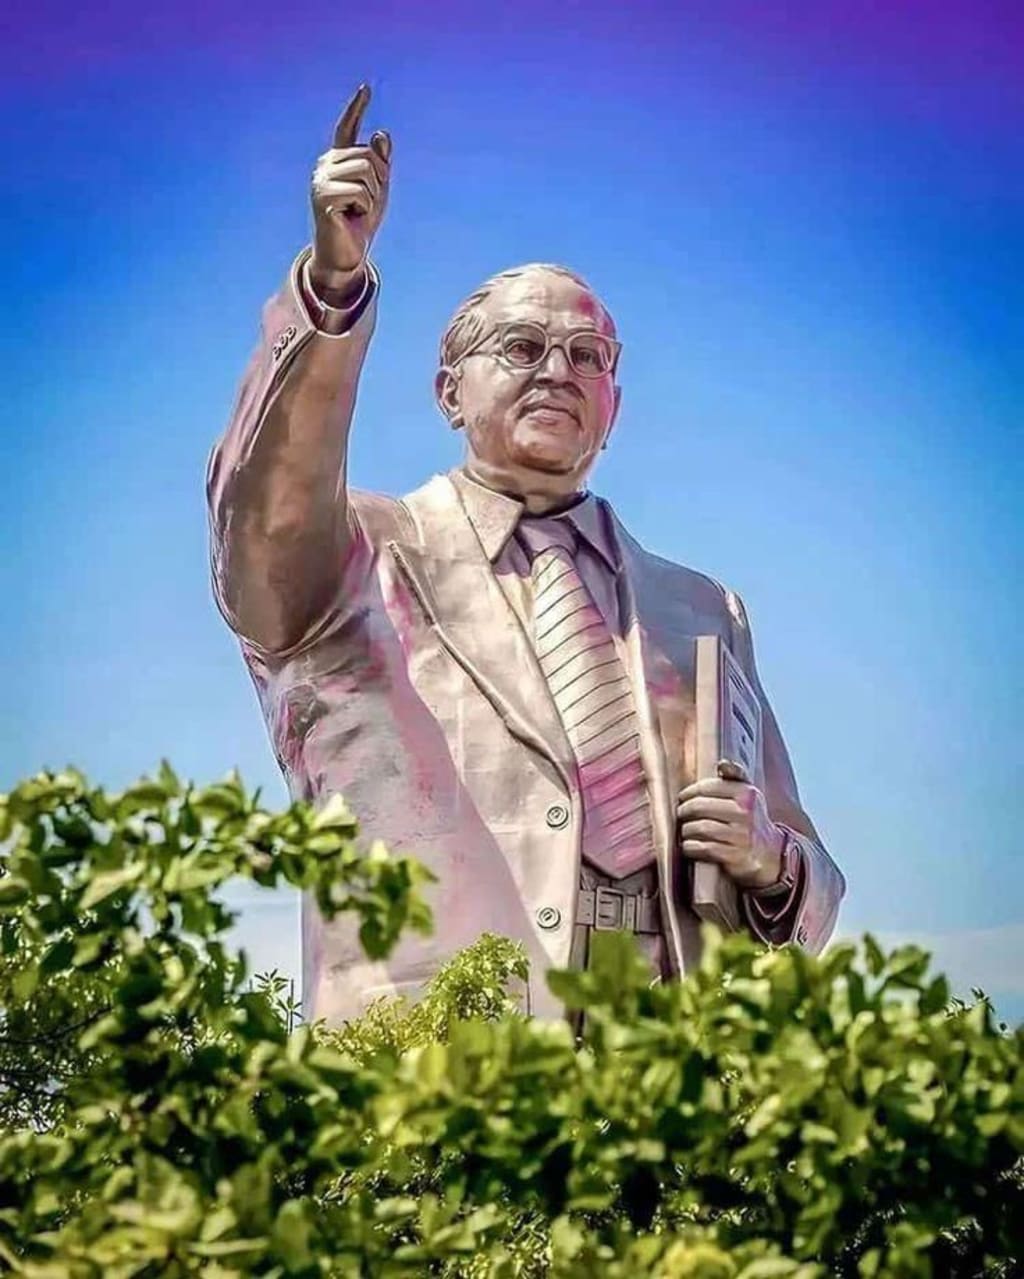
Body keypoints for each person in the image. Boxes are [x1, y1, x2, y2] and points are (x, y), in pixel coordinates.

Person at [206, 85, 845, 1024]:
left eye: (589, 355)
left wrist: (775, 861)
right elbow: (263, 507)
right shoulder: (355, 559)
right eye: (523, 346)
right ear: (449, 392)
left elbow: (810, 873)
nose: (559, 370)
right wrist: (331, 290)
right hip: (441, 1055)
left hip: (665, 1061)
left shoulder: (703, 610)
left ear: (615, 407)